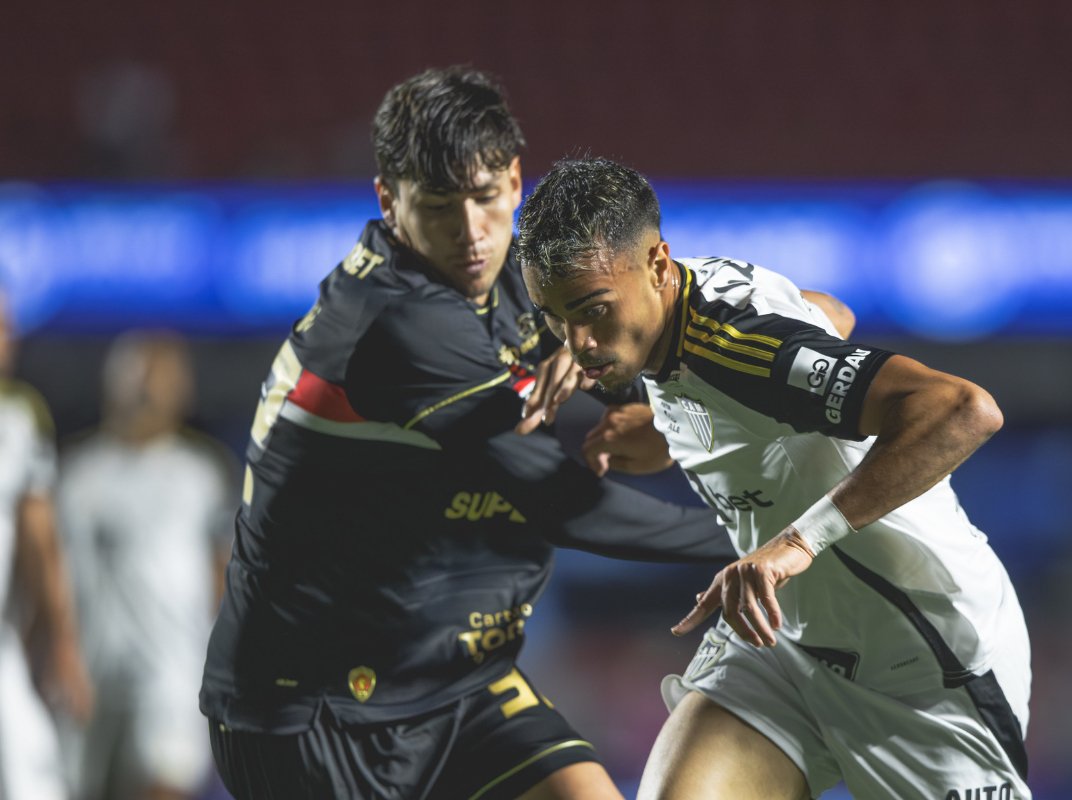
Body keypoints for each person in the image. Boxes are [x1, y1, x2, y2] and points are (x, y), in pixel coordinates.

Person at [200, 68, 733, 800]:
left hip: (459, 682)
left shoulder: (525, 279)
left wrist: (629, 379)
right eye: (439, 207)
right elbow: (565, 503)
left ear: (516, 181)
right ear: (389, 201)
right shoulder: (389, 320)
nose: (470, 233)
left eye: (485, 199)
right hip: (313, 712)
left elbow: (724, 324)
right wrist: (762, 541)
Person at [516, 157, 1032, 800]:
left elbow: (962, 409)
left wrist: (794, 544)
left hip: (924, 664)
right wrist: (675, 428)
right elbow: (829, 314)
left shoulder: (732, 343)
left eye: (593, 310)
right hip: (783, 646)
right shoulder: (677, 312)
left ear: (656, 263)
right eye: (556, 316)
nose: (579, 341)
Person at [56, 332, 235, 800]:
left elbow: (226, 575)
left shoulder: (200, 473)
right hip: (92, 672)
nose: (149, 392)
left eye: (163, 378)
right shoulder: (77, 475)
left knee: (163, 783)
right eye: (141, 377)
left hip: (172, 674)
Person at [0, 289, 93, 799]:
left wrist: (59, 639)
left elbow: (40, 542)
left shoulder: (16, 417)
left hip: (1, 645)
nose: (5, 341)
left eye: (7, 327)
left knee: (32, 776)